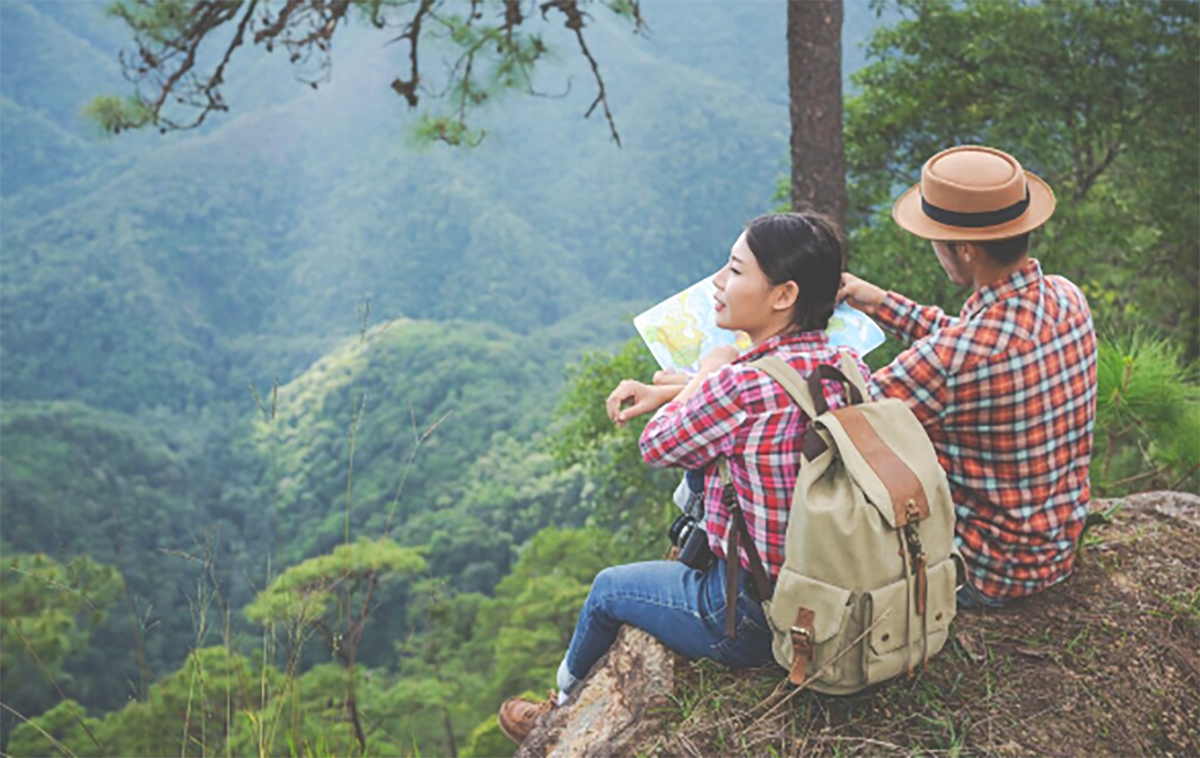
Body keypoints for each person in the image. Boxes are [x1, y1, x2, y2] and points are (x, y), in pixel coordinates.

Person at [497, 211, 870, 744]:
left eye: (736, 271)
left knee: (606, 591)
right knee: (711, 466)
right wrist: (697, 383)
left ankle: (557, 707)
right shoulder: (848, 363)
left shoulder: (736, 387)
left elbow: (657, 444)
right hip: (838, 582)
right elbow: (771, 399)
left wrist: (711, 373)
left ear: (783, 295)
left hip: (756, 618)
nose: (719, 282)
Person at [839, 145, 1097, 609]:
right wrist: (880, 303)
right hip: (1056, 550)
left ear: (964, 249)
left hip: (986, 573)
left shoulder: (949, 362)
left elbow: (844, 418)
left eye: (935, 239)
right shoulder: (1066, 298)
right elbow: (976, 344)